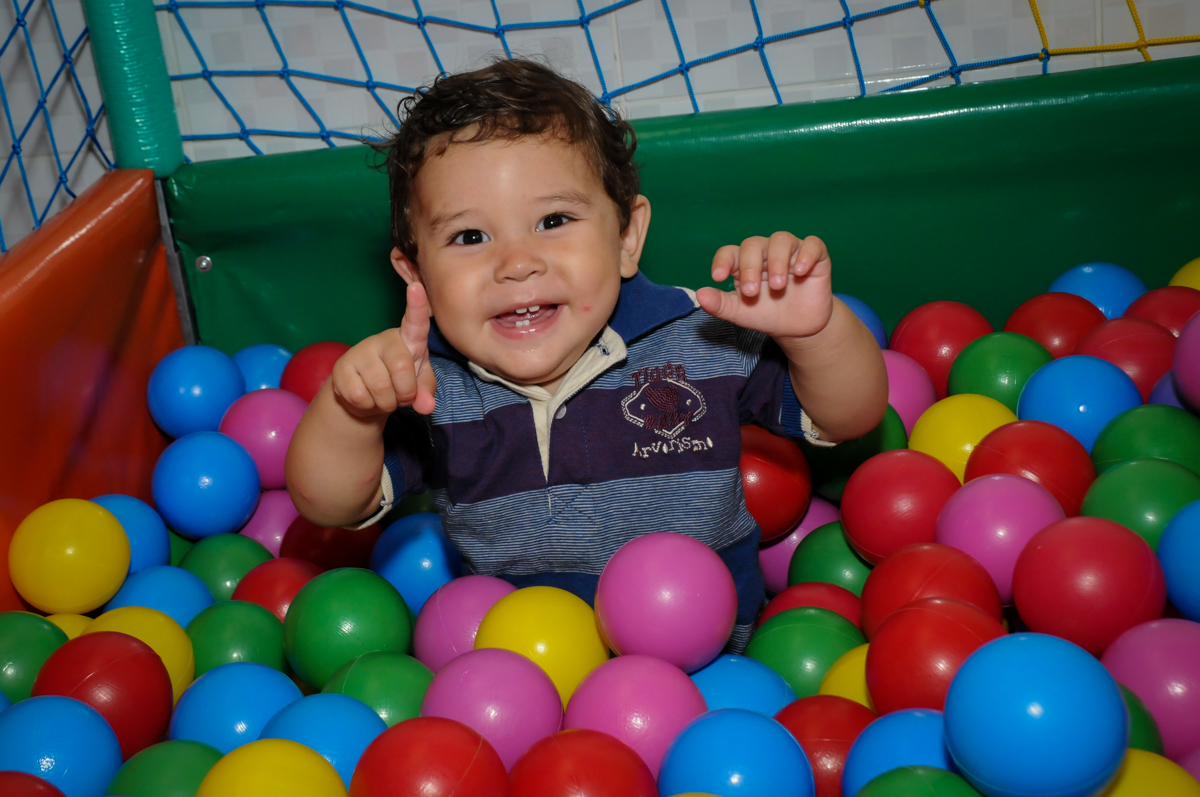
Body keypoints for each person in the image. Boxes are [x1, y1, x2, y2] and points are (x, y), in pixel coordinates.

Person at [286, 58, 887, 650]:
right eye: (470, 237)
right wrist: (352, 411)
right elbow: (329, 503)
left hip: (716, 667)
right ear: (415, 272)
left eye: (553, 219)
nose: (517, 263)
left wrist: (815, 333)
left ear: (627, 237)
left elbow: (849, 415)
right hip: (523, 679)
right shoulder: (429, 386)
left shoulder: (700, 338)